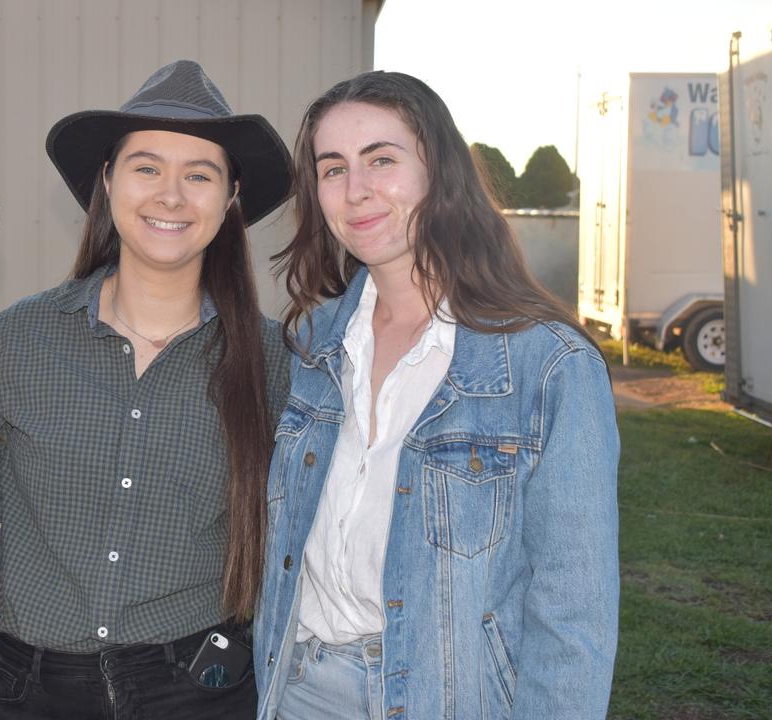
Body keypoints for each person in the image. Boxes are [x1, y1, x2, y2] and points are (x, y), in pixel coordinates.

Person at [253, 70, 621, 720]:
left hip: (449, 698)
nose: (356, 189)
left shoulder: (548, 365)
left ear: (439, 173)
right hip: (300, 692)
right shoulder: (309, 345)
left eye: (382, 160)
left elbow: (574, 615)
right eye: (332, 169)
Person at [0, 60, 292, 719]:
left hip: (200, 686)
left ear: (231, 196)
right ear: (108, 181)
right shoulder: (19, 339)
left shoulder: (272, 359)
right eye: (147, 166)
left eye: (199, 175)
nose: (171, 195)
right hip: (35, 689)